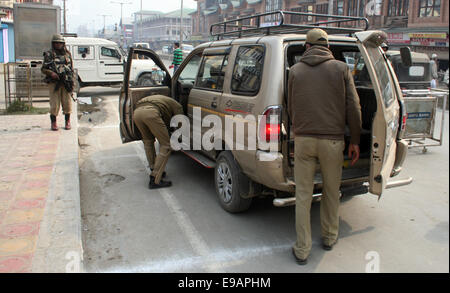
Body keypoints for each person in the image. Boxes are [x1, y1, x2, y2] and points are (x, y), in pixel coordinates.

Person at [288, 28, 362, 265]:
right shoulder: (341, 68)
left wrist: (295, 134)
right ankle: (329, 237)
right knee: (331, 191)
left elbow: (290, 106)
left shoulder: (295, 71)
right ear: (328, 47)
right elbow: (354, 107)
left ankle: (302, 250)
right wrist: (355, 141)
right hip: (333, 141)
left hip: (304, 141)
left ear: (306, 47)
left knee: (303, 195)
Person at [133, 95, 183, 189]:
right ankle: (155, 179)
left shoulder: (161, 99)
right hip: (151, 113)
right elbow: (180, 121)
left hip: (137, 113)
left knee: (148, 141)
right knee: (166, 145)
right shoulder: (177, 105)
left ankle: (153, 168)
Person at [41, 34, 75, 131]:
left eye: (60, 43)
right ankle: (53, 123)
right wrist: (51, 73)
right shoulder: (49, 54)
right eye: (56, 43)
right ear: (53, 44)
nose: (58, 45)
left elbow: (71, 69)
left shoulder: (67, 55)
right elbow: (43, 69)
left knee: (67, 103)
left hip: (66, 82)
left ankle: (67, 122)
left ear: (63, 44)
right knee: (54, 104)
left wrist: (71, 82)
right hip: (54, 82)